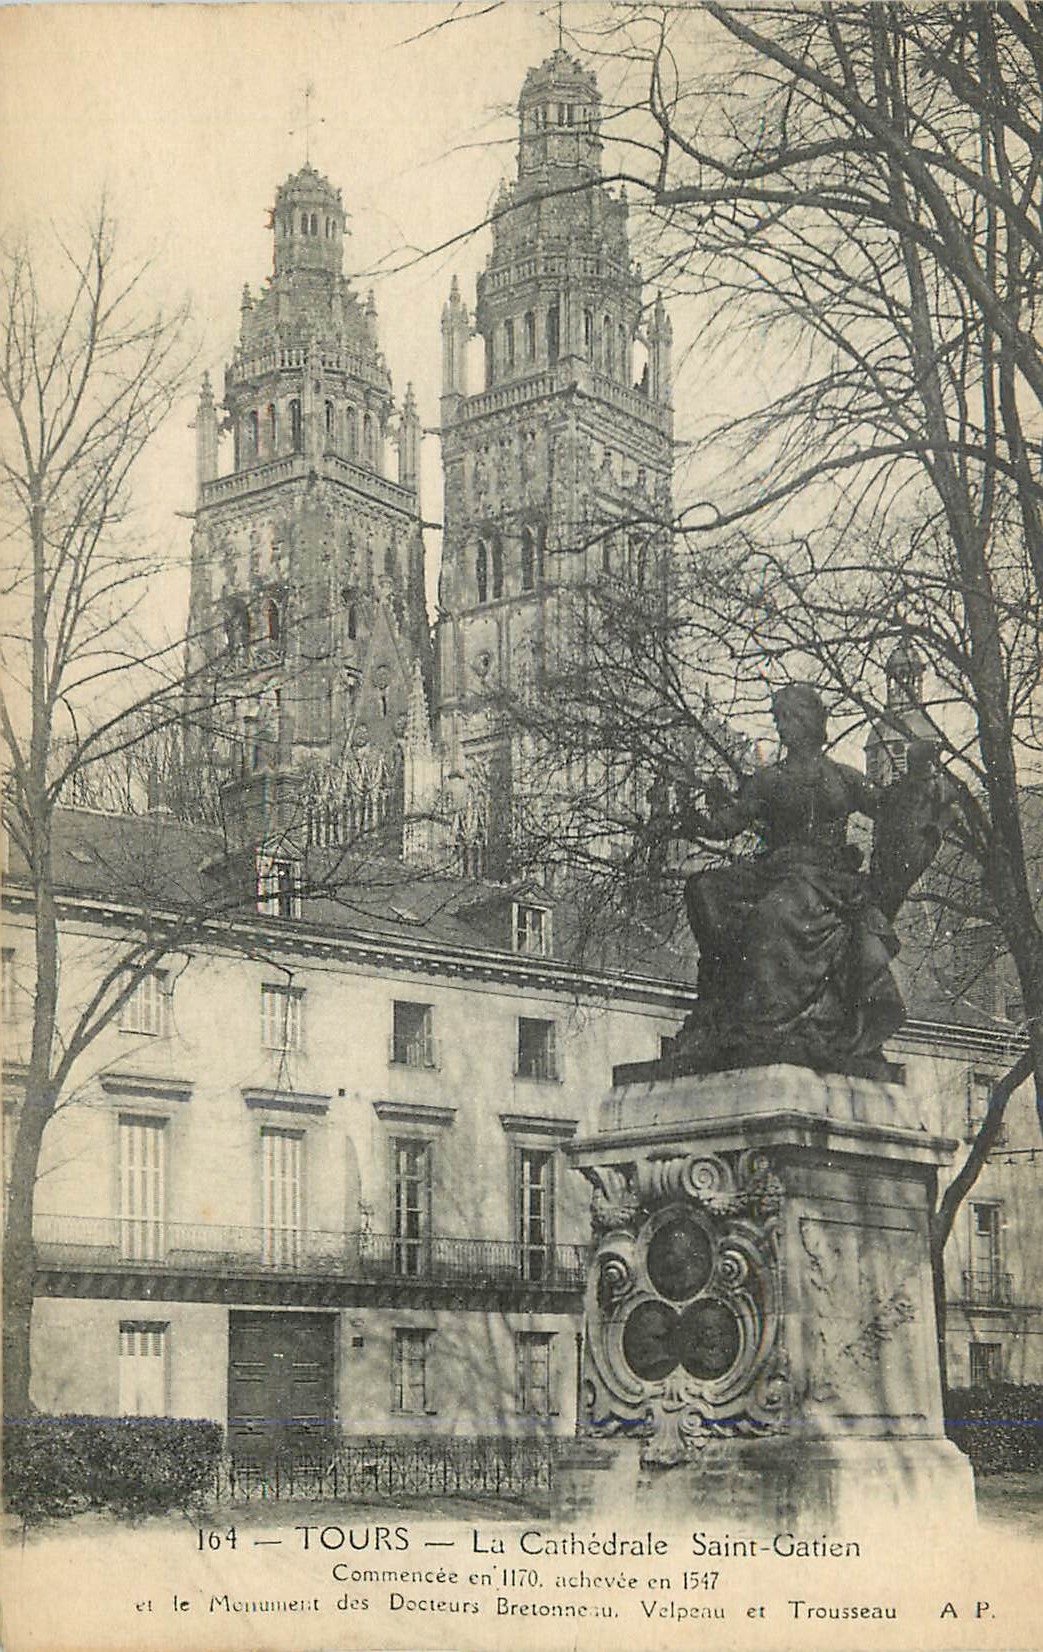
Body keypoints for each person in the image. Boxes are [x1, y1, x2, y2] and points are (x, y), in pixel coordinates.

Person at [676, 683, 904, 1075]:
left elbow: (889, 810)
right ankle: (725, 997)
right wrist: (696, 820)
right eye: (778, 720)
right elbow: (729, 824)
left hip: (825, 878)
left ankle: (769, 1019)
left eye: (789, 718)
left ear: (811, 722)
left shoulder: (843, 777)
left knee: (774, 914)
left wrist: (912, 790)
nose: (782, 728)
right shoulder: (769, 780)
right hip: (775, 870)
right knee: (704, 888)